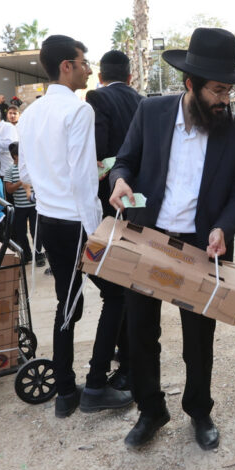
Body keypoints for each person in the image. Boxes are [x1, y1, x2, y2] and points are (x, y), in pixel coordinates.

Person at [110, 27, 235, 450]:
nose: (224, 99)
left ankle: (199, 410)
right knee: (139, 333)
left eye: (228, 90)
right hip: (147, 238)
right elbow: (125, 161)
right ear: (189, 84)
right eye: (217, 90)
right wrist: (120, 180)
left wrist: (223, 227)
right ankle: (151, 411)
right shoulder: (151, 113)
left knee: (199, 338)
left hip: (199, 246)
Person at [18, 35, 133, 418]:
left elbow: (25, 172)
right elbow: (84, 179)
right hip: (78, 223)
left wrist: (49, 194)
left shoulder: (31, 112)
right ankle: (95, 384)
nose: (88, 68)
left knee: (68, 305)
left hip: (49, 220)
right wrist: (95, 228)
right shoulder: (77, 111)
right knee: (114, 296)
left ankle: (66, 391)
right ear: (66, 65)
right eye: (83, 62)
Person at [84, 49, 143, 391]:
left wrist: (109, 173)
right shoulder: (142, 100)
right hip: (140, 200)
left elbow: (98, 153)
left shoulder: (97, 98)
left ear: (100, 77)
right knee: (133, 277)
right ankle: (130, 349)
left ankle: (128, 355)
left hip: (111, 200)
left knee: (117, 281)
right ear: (131, 77)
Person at [2, 142, 40, 262]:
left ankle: (39, 255)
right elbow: (9, 189)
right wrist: (20, 181)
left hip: (34, 206)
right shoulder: (10, 170)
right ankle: (26, 255)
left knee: (36, 231)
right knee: (21, 232)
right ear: (15, 156)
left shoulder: (33, 167)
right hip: (20, 207)